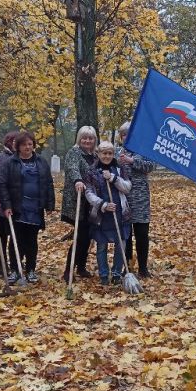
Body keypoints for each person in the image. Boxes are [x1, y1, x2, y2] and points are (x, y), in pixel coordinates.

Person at [0, 131, 55, 283]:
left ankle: (30, 270)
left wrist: (49, 204)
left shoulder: (41, 162)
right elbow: (2, 185)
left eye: (30, 144)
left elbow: (48, 183)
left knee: (32, 240)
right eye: (24, 145)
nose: (27, 147)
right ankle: (15, 270)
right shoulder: (10, 163)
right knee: (16, 239)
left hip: (35, 208)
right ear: (18, 146)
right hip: (17, 208)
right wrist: (6, 205)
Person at [83, 141, 133, 285]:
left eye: (110, 153)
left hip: (120, 214)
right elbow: (89, 193)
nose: (107, 156)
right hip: (101, 215)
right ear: (98, 154)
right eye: (104, 153)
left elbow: (127, 187)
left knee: (121, 244)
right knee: (102, 245)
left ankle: (117, 274)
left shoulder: (119, 168)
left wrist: (113, 178)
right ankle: (104, 275)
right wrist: (103, 205)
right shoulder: (92, 171)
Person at [116, 122, 155, 278]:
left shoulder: (144, 150)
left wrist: (132, 161)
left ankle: (143, 268)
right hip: (123, 199)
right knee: (126, 234)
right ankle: (127, 266)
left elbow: (150, 166)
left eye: (130, 133)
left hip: (140, 199)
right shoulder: (117, 152)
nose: (127, 137)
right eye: (124, 134)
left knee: (142, 234)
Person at [61, 126, 98, 280]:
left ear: (94, 140)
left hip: (92, 201)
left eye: (90, 138)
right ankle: (68, 271)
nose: (87, 141)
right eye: (84, 137)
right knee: (80, 236)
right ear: (79, 138)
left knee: (88, 236)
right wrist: (78, 180)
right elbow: (72, 168)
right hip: (78, 201)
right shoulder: (74, 152)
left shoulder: (95, 155)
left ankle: (81, 267)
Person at [0, 131, 18, 281]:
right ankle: (3, 264)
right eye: (13, 141)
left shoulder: (19, 157)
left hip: (16, 204)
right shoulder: (2, 158)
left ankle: (15, 263)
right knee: (2, 237)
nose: (16, 144)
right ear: (8, 142)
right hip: (2, 205)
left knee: (15, 236)